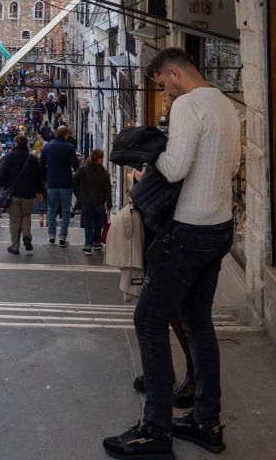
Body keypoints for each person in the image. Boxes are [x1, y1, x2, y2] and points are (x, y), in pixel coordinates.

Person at [103, 48, 240, 459]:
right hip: (219, 227)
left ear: (175, 74)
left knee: (149, 318)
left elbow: (176, 167)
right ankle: (206, 422)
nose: (165, 91)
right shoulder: (225, 104)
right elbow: (231, 165)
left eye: (163, 83)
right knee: (197, 320)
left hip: (187, 231)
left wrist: (150, 164)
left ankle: (155, 430)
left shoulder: (187, 107)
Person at [0, 134, 44, 255]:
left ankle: (14, 246)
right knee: (26, 216)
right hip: (29, 194)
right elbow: (39, 177)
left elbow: (2, 176)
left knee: (14, 220)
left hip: (13, 194)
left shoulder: (9, 157)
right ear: (27, 144)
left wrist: (4, 186)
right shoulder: (33, 159)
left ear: (15, 143)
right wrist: (40, 192)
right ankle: (27, 235)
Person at [40, 125, 78, 246]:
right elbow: (76, 166)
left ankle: (51, 236)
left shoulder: (47, 147)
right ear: (66, 134)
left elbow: (41, 165)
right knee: (66, 210)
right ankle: (62, 237)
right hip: (66, 183)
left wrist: (45, 179)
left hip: (52, 182)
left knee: (51, 209)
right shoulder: (69, 147)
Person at [74, 149, 112, 255]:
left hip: (86, 201)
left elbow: (74, 180)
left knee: (88, 223)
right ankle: (96, 242)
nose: (103, 160)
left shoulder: (83, 169)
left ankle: (87, 245)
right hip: (99, 202)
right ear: (99, 159)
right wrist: (109, 203)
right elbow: (107, 189)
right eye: (102, 158)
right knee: (98, 223)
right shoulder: (104, 173)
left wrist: (79, 194)